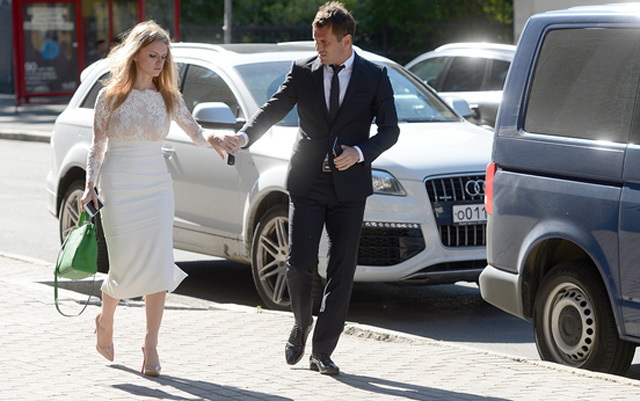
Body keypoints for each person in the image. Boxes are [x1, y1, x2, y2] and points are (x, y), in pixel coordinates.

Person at [218, 1, 399, 375]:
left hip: (350, 187)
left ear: (346, 41)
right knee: (300, 263)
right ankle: (301, 324)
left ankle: (322, 351)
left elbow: (390, 130)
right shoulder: (303, 71)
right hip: (307, 181)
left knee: (341, 270)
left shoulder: (375, 76)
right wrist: (244, 137)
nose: (318, 47)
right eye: (315, 40)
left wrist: (360, 153)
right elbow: (274, 107)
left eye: (324, 42)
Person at [80, 20, 226, 376]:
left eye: (164, 56)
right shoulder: (110, 96)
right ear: (135, 55)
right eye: (153, 55)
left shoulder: (169, 97)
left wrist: (214, 139)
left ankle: (151, 344)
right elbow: (98, 146)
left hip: (157, 187)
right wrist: (89, 185)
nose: (160, 62)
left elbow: (195, 132)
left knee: (159, 265)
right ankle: (106, 320)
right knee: (124, 265)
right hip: (119, 185)